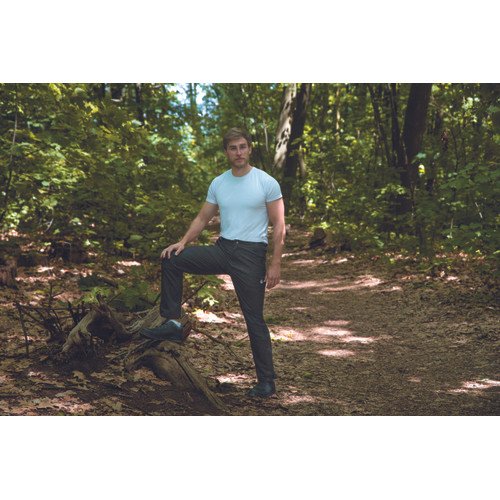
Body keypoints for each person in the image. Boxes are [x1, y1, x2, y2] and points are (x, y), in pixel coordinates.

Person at [141, 128, 286, 398]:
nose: (238, 152)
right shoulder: (219, 183)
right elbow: (202, 218)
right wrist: (182, 242)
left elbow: (279, 225)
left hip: (251, 255)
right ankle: (173, 324)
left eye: (242, 147)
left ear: (250, 149)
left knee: (254, 318)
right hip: (223, 248)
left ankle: (267, 382)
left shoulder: (266, 182)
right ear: (226, 152)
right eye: (233, 148)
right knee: (172, 259)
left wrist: (275, 263)